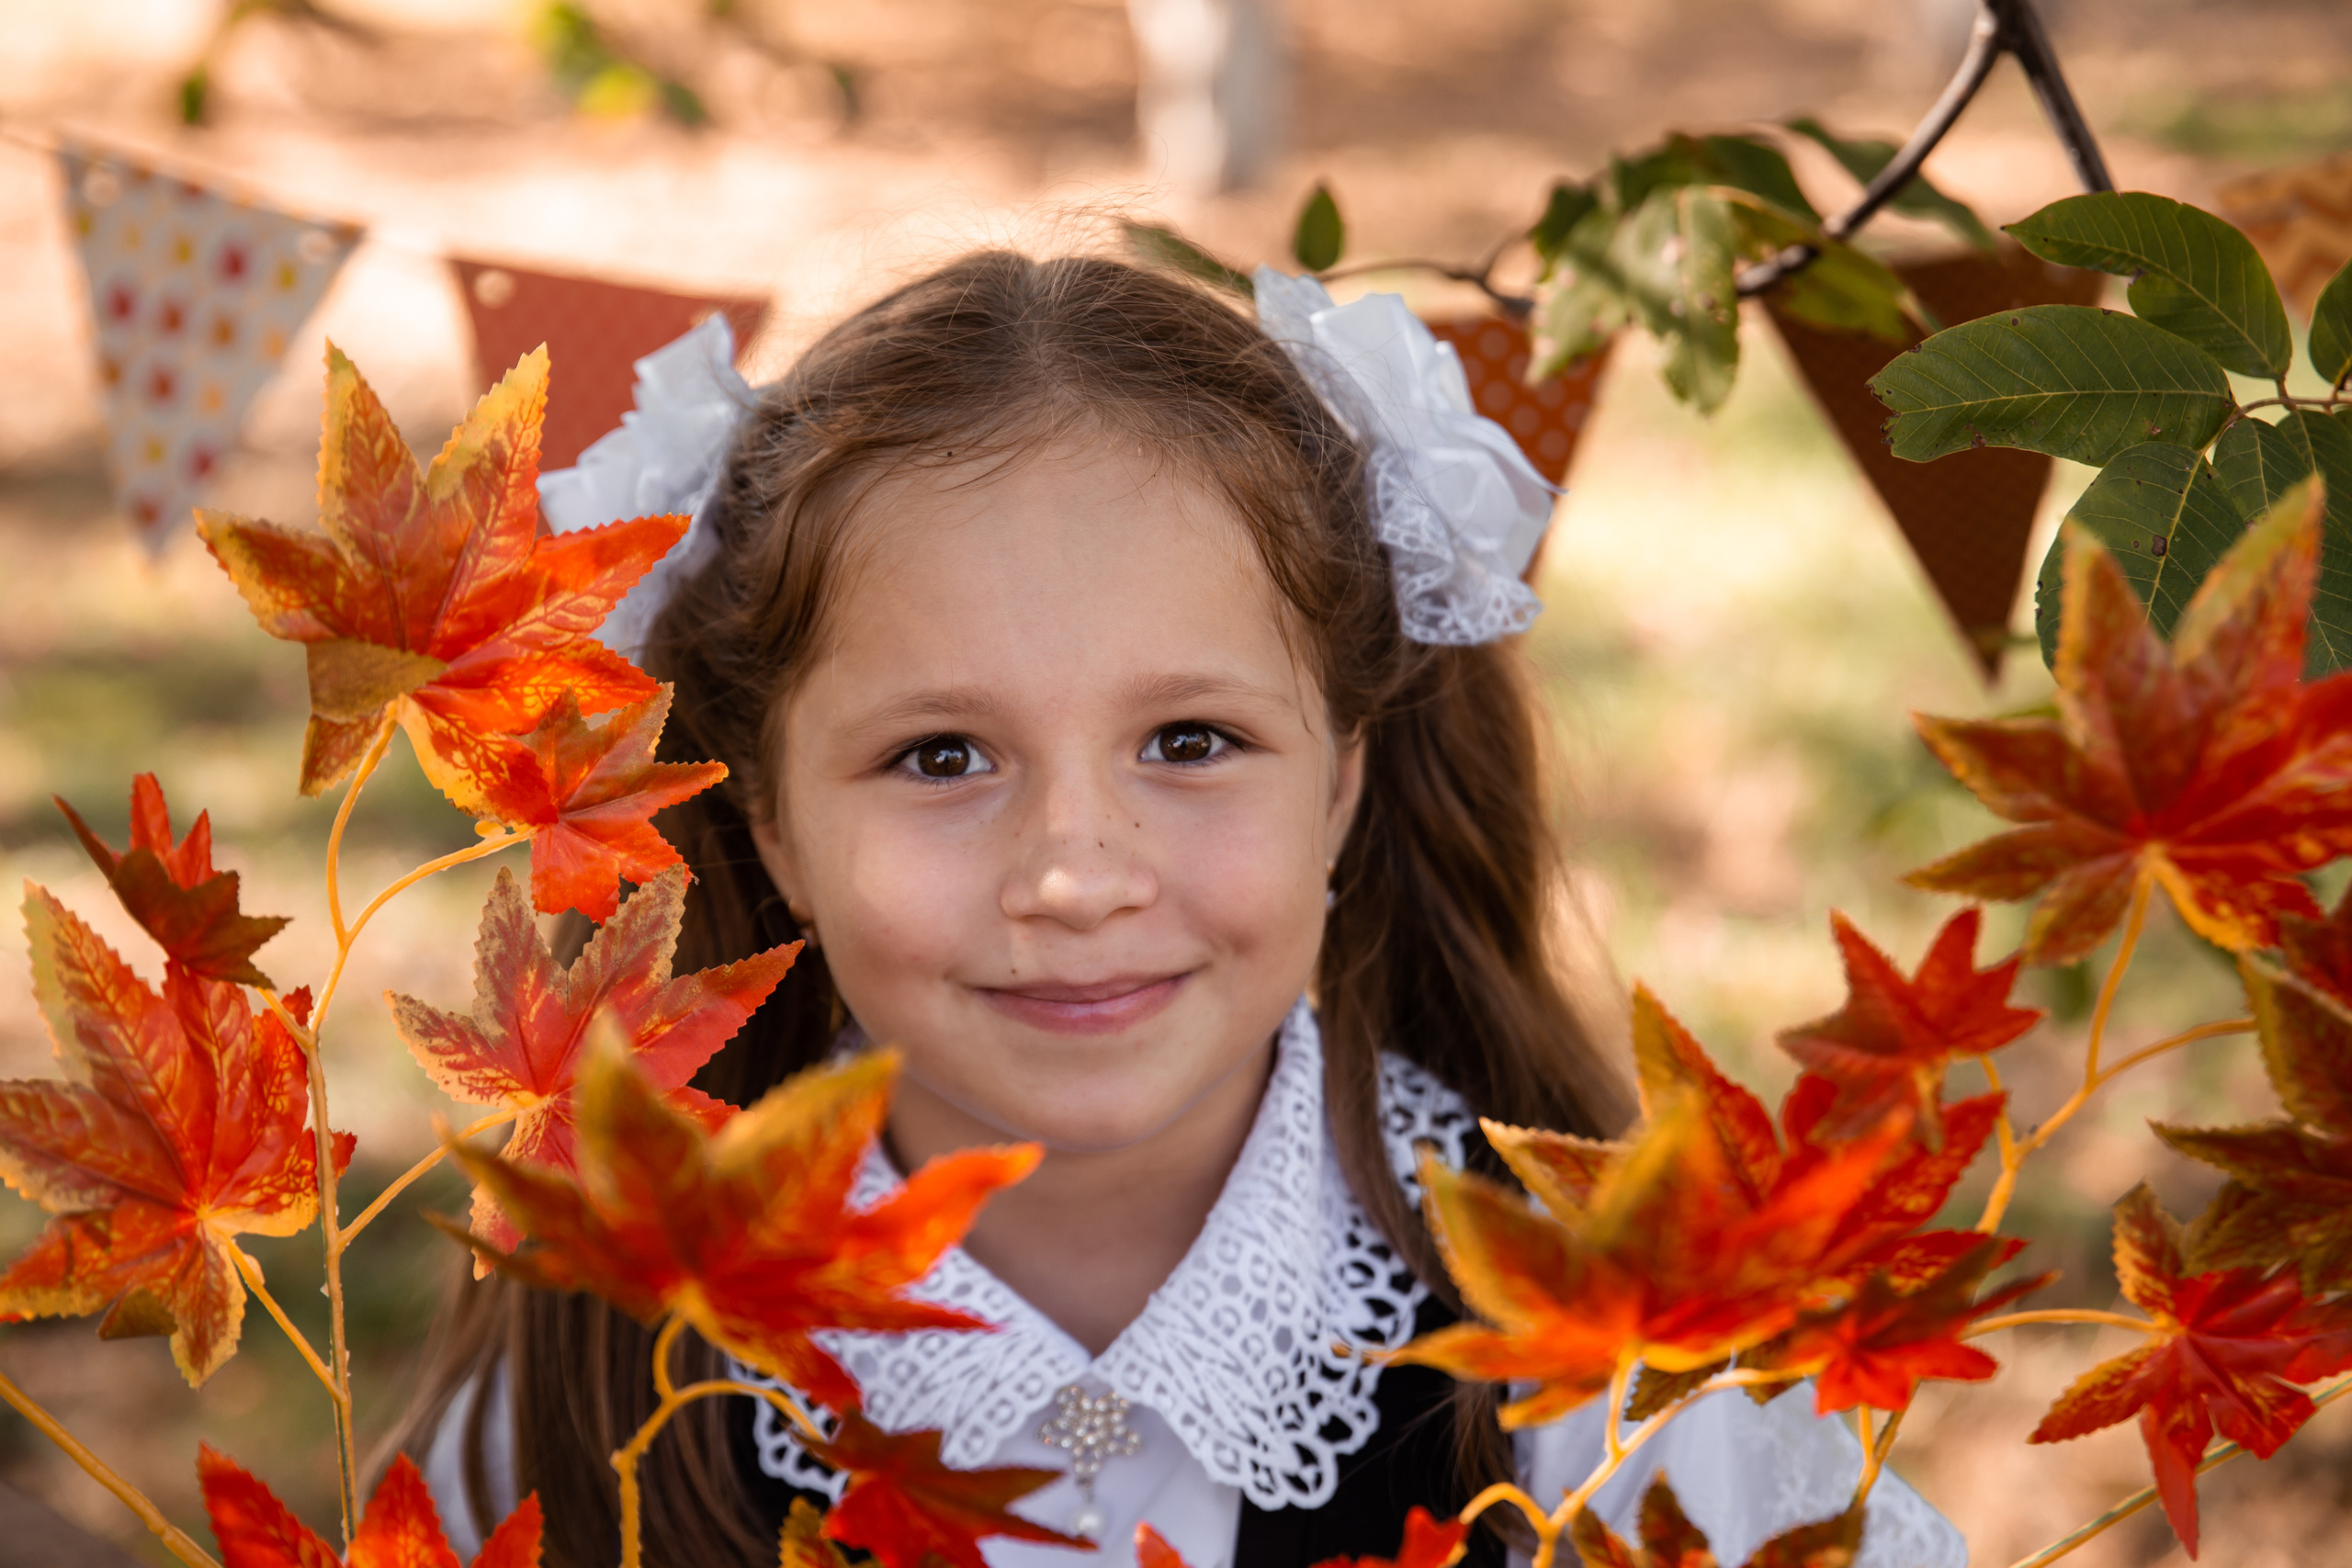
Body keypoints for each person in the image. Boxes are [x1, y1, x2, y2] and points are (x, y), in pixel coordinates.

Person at [400, 252, 1968, 1568]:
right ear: (773, 824)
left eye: (1191, 742)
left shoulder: (1629, 1366)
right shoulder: (600, 1366)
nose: (1079, 875)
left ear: (1344, 779)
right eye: (940, 756)